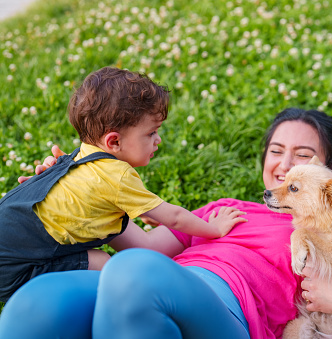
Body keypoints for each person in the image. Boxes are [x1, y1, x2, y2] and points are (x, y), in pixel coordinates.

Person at [0, 108, 332, 338]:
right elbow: (148, 249)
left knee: (133, 275)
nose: (284, 166)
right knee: (34, 307)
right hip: (155, 287)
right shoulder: (229, 208)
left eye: (303, 156)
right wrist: (82, 199)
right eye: (276, 151)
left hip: (232, 318)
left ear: (330, 173)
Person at [0, 67, 246, 303]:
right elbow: (175, 218)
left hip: (11, 234)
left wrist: (146, 211)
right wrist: (214, 229)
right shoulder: (117, 175)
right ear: (114, 141)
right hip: (17, 268)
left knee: (121, 245)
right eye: (151, 133)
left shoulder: (81, 156)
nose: (158, 140)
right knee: (104, 265)